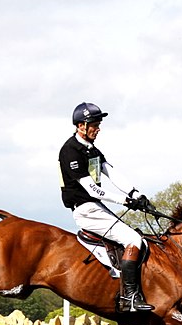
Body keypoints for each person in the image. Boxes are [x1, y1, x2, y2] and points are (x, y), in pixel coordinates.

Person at [58, 102, 154, 312]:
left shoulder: (92, 150)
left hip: (96, 206)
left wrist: (136, 193)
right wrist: (125, 201)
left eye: (98, 124)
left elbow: (111, 172)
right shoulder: (70, 152)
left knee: (137, 238)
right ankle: (130, 297)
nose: (98, 128)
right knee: (133, 239)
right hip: (85, 209)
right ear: (81, 125)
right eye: (94, 124)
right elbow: (91, 189)